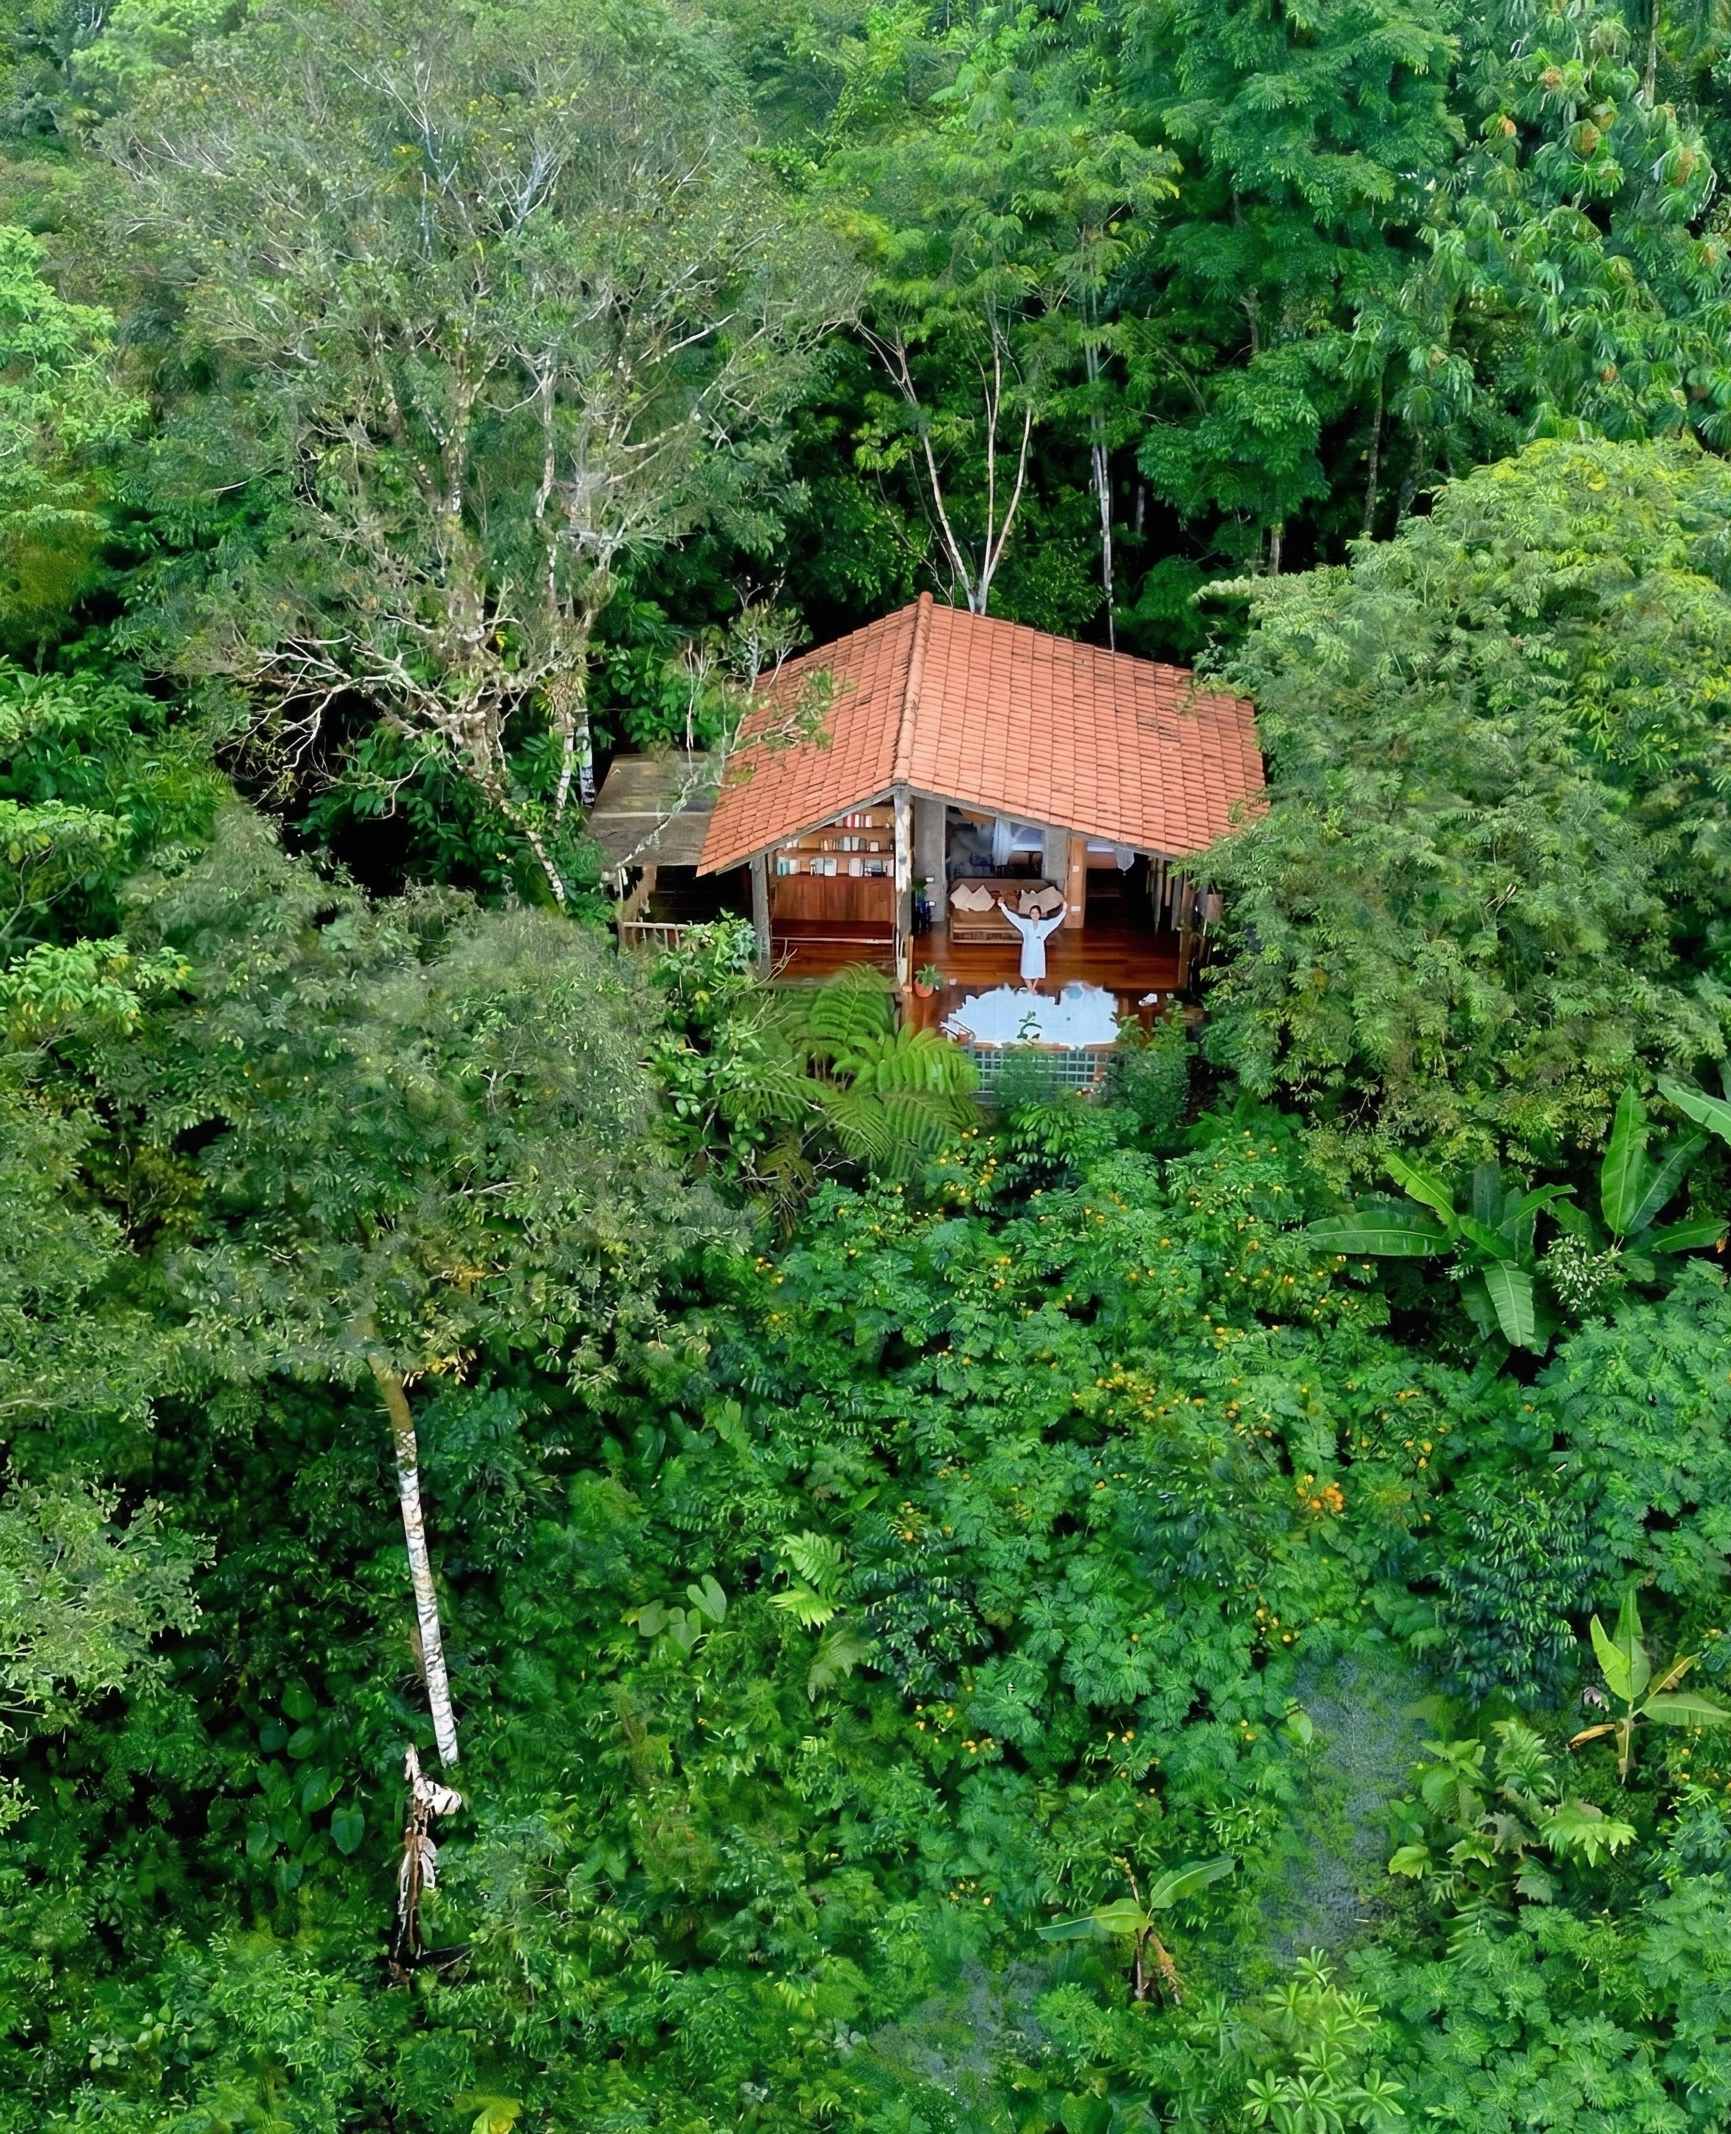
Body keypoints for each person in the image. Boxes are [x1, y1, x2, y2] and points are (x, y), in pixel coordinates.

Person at [997, 897, 1066, 990]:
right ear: (1030, 914)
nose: (1035, 915)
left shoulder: (1044, 924)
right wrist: (1002, 906)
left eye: (1036, 913)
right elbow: (1013, 917)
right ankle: (1031, 989)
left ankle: (1032, 989)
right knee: (1026, 971)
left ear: (1039, 914)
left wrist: (1063, 911)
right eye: (1032, 913)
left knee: (1038, 969)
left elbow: (1055, 922)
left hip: (1038, 949)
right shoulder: (1025, 923)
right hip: (1028, 950)